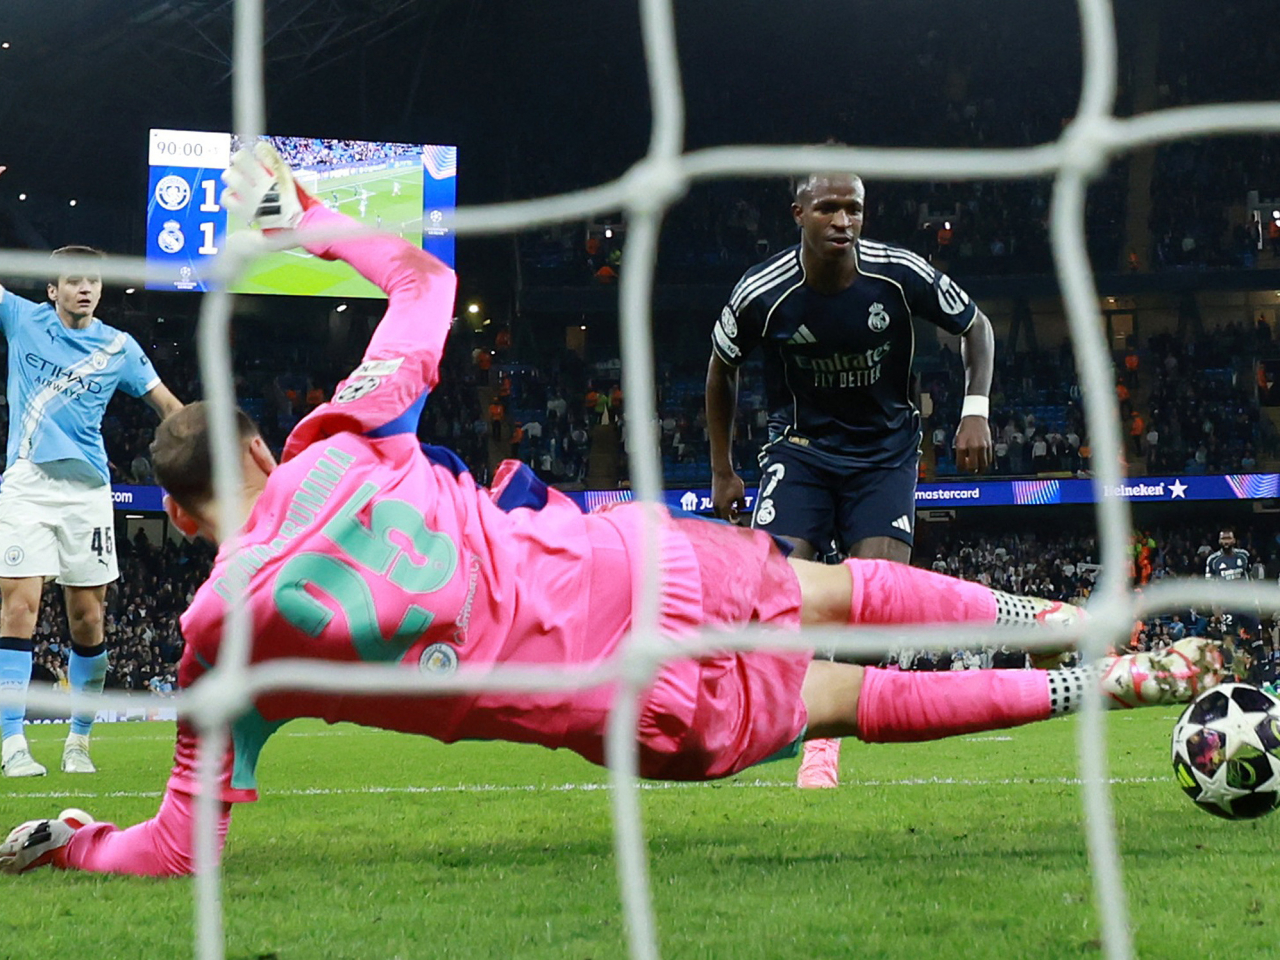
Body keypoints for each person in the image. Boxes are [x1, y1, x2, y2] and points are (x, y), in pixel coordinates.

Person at [0, 146, 1222, 877]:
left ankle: (1104, 682)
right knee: (844, 591)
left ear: (183, 518)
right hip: (645, 561)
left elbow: (178, 849)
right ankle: (1074, 618)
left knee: (850, 700)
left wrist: (72, 839)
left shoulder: (222, 636)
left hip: (638, 702)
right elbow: (425, 276)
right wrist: (307, 219)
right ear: (265, 442)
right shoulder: (346, 433)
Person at [705, 170, 995, 788]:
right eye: (829, 208)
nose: (843, 221)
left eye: (854, 209)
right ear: (798, 213)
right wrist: (722, 471)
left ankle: (823, 741)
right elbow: (721, 369)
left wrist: (976, 411)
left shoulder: (898, 273)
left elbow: (978, 327)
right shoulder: (762, 293)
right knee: (776, 594)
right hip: (801, 451)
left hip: (884, 454)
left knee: (880, 599)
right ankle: (766, 711)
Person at [0, 221, 184, 777]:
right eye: (72, 281)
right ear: (52, 289)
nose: (84, 288)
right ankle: (12, 744)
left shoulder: (119, 348)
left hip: (88, 494)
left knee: (88, 620)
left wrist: (199, 455)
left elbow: (170, 411)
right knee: (18, 608)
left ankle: (78, 741)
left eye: (93, 282)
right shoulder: (21, 318)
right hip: (26, 483)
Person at [1205, 526, 1260, 677]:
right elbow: (1210, 586)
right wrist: (1215, 608)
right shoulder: (1213, 560)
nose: (1226, 541)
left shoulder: (1244, 556)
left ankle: (1260, 671)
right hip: (1227, 605)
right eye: (1223, 538)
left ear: (1234, 540)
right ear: (1219, 541)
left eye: (1229, 538)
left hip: (1246, 602)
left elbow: (1251, 579)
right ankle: (1230, 673)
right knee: (1228, 639)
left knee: (1256, 635)